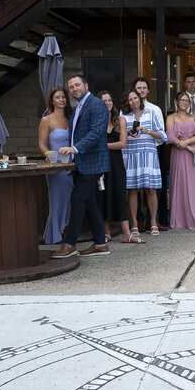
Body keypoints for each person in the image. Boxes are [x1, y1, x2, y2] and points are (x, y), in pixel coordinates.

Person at [61, 74, 111, 258]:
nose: (74, 89)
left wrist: (74, 148)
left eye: (77, 85)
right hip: (81, 163)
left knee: (77, 198)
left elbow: (96, 132)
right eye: (71, 87)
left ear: (86, 85)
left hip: (93, 162)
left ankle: (70, 244)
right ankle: (100, 243)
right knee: (90, 204)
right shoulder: (78, 107)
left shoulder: (97, 104)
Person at [98, 90, 143, 244]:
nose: (107, 103)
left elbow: (122, 143)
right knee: (102, 197)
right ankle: (106, 233)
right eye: (103, 101)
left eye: (109, 100)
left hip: (116, 163)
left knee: (119, 195)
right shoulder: (96, 121)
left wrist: (102, 145)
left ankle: (126, 234)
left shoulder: (120, 120)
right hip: (100, 162)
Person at [166, 92, 195, 230]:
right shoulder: (171, 118)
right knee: (182, 184)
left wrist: (186, 143)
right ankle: (183, 219)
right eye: (182, 100)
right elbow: (171, 136)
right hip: (180, 155)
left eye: (187, 101)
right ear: (176, 101)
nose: (185, 102)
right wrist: (187, 147)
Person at [122, 89, 166, 235]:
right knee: (133, 190)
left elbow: (162, 135)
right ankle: (134, 223)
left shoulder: (151, 113)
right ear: (127, 102)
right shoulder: (124, 116)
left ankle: (153, 221)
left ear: (140, 99)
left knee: (151, 189)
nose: (133, 101)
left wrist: (147, 131)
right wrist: (128, 133)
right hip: (132, 155)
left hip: (149, 155)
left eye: (135, 98)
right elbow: (120, 137)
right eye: (130, 99)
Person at [39, 86, 76, 256]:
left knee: (71, 201)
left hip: (72, 165)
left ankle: (68, 237)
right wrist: (47, 153)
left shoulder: (72, 118)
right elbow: (41, 143)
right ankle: (60, 237)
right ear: (52, 101)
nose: (61, 100)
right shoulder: (46, 120)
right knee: (58, 202)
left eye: (63, 97)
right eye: (58, 97)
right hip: (56, 166)